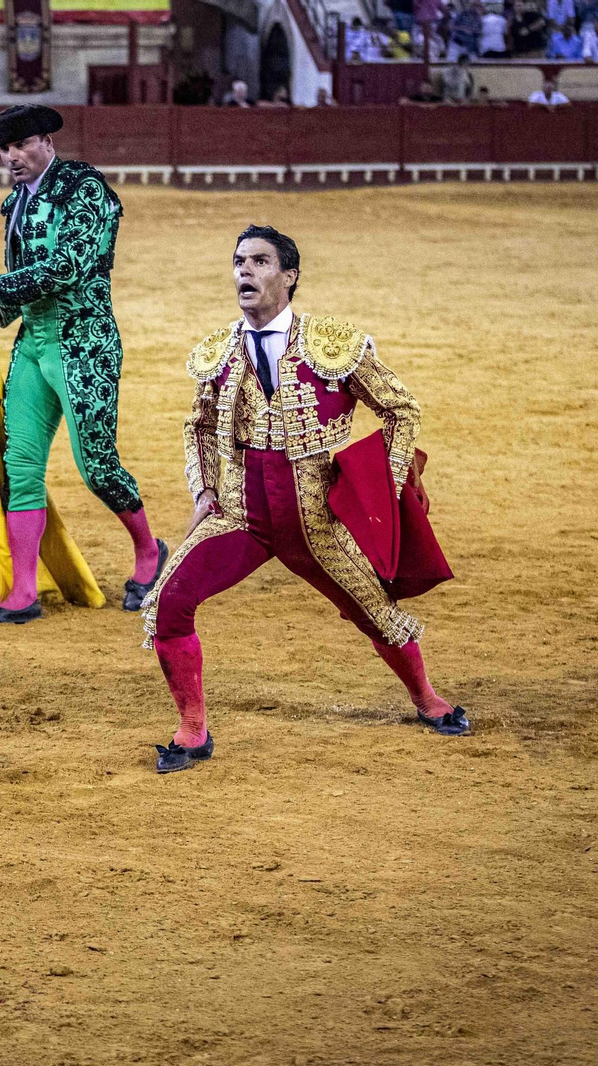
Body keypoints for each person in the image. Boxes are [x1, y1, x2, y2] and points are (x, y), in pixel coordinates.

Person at [144, 225, 468, 774]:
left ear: (288, 276)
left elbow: (400, 408)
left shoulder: (333, 345)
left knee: (374, 611)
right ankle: (192, 730)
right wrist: (203, 488)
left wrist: (385, 485)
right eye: (239, 261)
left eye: (260, 261)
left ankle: (426, 698)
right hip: (240, 515)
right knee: (167, 602)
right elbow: (197, 426)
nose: (244, 271)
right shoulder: (219, 352)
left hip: (314, 517)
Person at [0, 105, 164, 625]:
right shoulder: (17, 202)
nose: (12, 157)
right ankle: (24, 592)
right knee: (20, 465)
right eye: (4, 149)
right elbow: (26, 273)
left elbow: (70, 266)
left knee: (96, 467)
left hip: (85, 344)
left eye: (21, 145)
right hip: (35, 343)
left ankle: (149, 551)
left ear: (47, 141)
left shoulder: (84, 189)